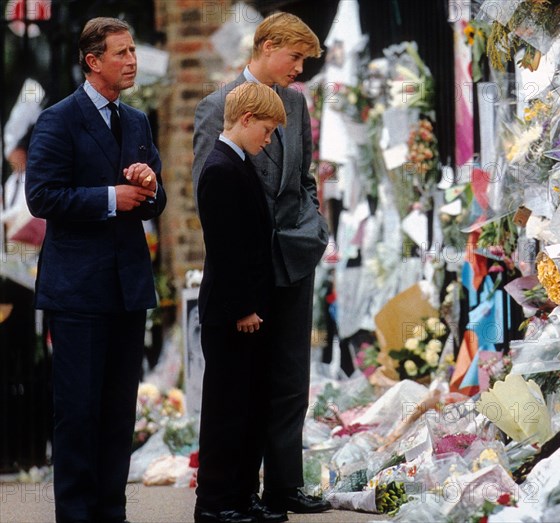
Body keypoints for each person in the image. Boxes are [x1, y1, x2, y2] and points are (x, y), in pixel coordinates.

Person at [25, 17, 166, 523]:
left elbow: (155, 201)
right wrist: (111, 197)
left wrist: (150, 183)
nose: (132, 61)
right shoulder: (59, 120)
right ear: (93, 61)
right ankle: (77, 515)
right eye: (122, 53)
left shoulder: (137, 122)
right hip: (78, 292)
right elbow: (40, 196)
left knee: (117, 414)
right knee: (79, 413)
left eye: (133, 52)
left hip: (128, 287)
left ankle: (112, 512)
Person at [192, 12, 330, 516]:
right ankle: (236, 494)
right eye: (294, 57)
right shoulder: (218, 106)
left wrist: (314, 227)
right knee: (242, 384)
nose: (298, 69)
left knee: (290, 377)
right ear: (267, 46)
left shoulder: (297, 104)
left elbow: (306, 177)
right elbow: (212, 191)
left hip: (294, 257)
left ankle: (283, 487)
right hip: (247, 265)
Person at [195, 81, 287, 523]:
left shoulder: (239, 163)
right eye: (266, 130)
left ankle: (243, 494)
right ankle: (215, 503)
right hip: (232, 312)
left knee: (251, 406)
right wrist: (243, 308)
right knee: (226, 409)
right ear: (246, 119)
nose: (268, 140)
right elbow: (226, 247)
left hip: (250, 307)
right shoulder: (220, 168)